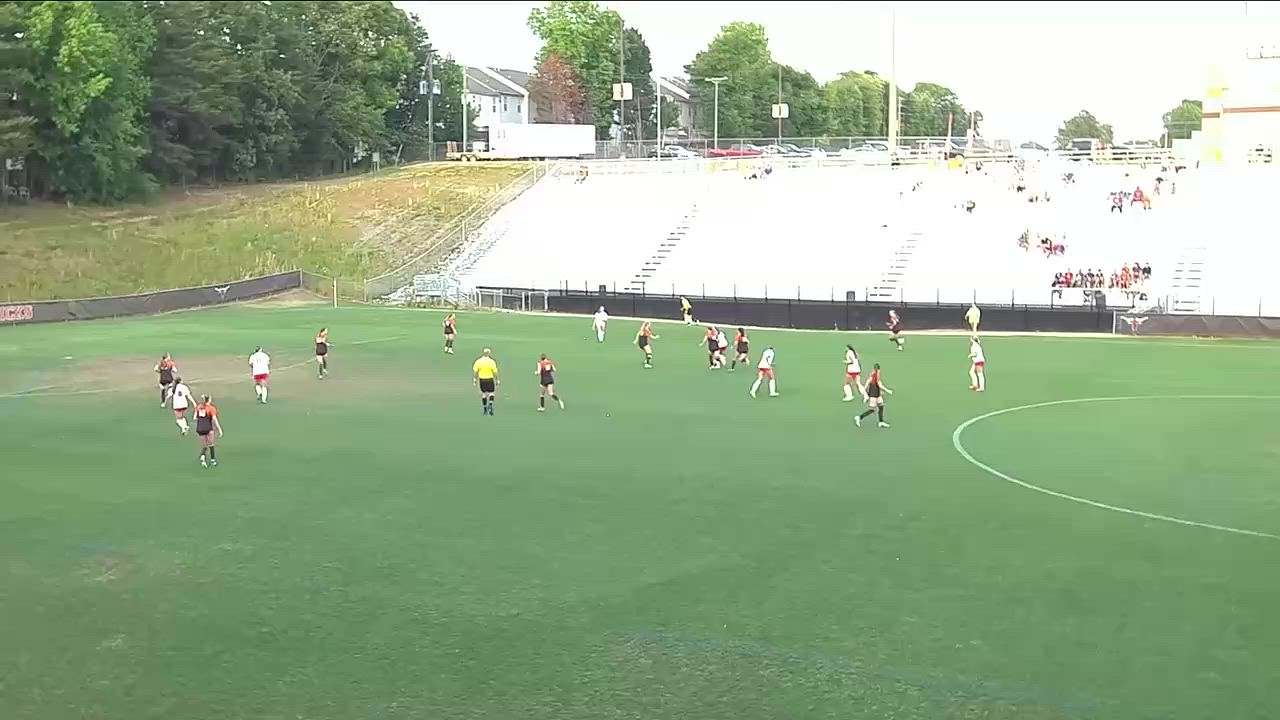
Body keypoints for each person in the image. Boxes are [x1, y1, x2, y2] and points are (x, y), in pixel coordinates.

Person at [855, 363, 892, 429]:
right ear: (879, 369)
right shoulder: (877, 374)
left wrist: (864, 389)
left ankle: (881, 422)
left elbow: (868, 381)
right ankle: (859, 417)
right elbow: (879, 384)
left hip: (876, 393)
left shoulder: (872, 373)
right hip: (873, 394)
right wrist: (887, 390)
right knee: (872, 409)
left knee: (881, 405)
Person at [194, 394, 223, 467]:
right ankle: (213, 460)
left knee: (204, 445)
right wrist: (219, 429)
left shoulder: (198, 407)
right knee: (211, 444)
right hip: (208, 427)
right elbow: (214, 419)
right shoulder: (211, 408)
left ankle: (203, 457)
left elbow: (194, 417)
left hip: (200, 428)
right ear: (209, 400)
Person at [472, 348, 499, 416]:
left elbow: (475, 371)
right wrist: (497, 379)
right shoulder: (492, 362)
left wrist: (475, 379)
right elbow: (495, 372)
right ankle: (490, 404)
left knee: (483, 394)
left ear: (483, 353)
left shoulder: (478, 361)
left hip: (482, 379)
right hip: (490, 379)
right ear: (489, 353)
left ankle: (485, 407)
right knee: (491, 393)